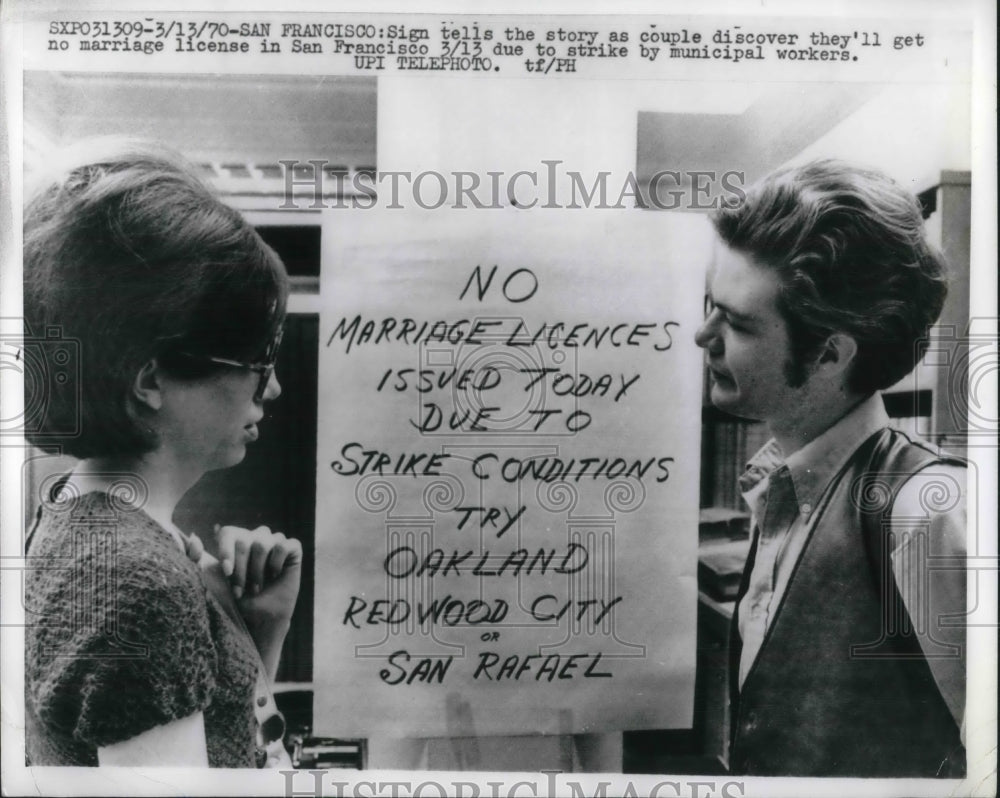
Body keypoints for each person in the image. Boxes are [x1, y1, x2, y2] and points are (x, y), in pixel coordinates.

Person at [22, 138, 302, 767]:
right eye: (259, 362)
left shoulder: (87, 519)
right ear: (149, 380)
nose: (274, 387)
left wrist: (251, 638)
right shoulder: (135, 580)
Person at [695, 160, 966, 777]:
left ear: (828, 352)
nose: (701, 335)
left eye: (735, 322)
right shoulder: (782, 485)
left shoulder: (929, 513)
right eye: (712, 306)